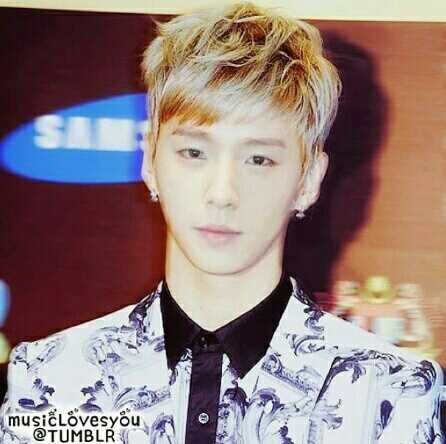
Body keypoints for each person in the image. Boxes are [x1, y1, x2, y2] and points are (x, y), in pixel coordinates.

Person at [0, 2, 444, 443]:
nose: (222, 193)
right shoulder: (51, 378)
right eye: (194, 152)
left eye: (259, 159)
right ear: (150, 159)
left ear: (308, 180)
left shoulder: (389, 394)